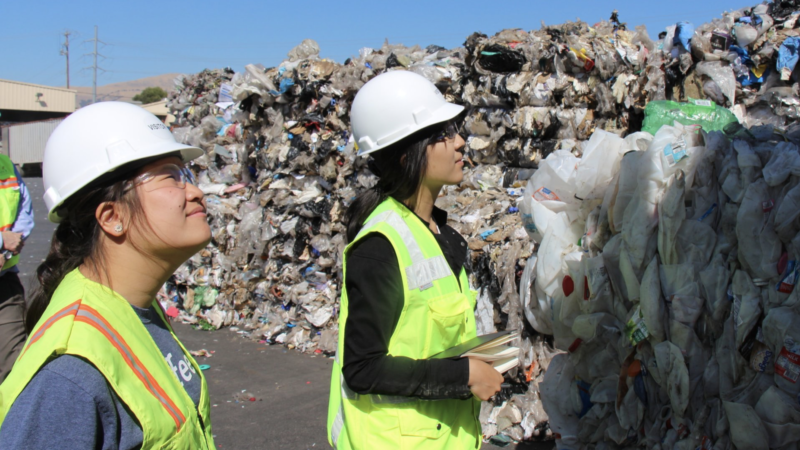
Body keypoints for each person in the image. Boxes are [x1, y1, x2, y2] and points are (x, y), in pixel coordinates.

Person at [0, 102, 215, 449]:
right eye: (171, 176)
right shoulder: (70, 375)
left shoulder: (136, 310)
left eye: (186, 175)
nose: (196, 191)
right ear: (113, 216)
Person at [326, 71, 504, 450]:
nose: (460, 143)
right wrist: (463, 376)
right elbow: (362, 367)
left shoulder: (442, 235)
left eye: (455, 130)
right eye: (442, 134)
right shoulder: (380, 246)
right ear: (407, 154)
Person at [0, 153, 33, 383]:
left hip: (4, 280)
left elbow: (24, 213)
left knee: (15, 365)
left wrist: (5, 252)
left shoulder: (6, 166)